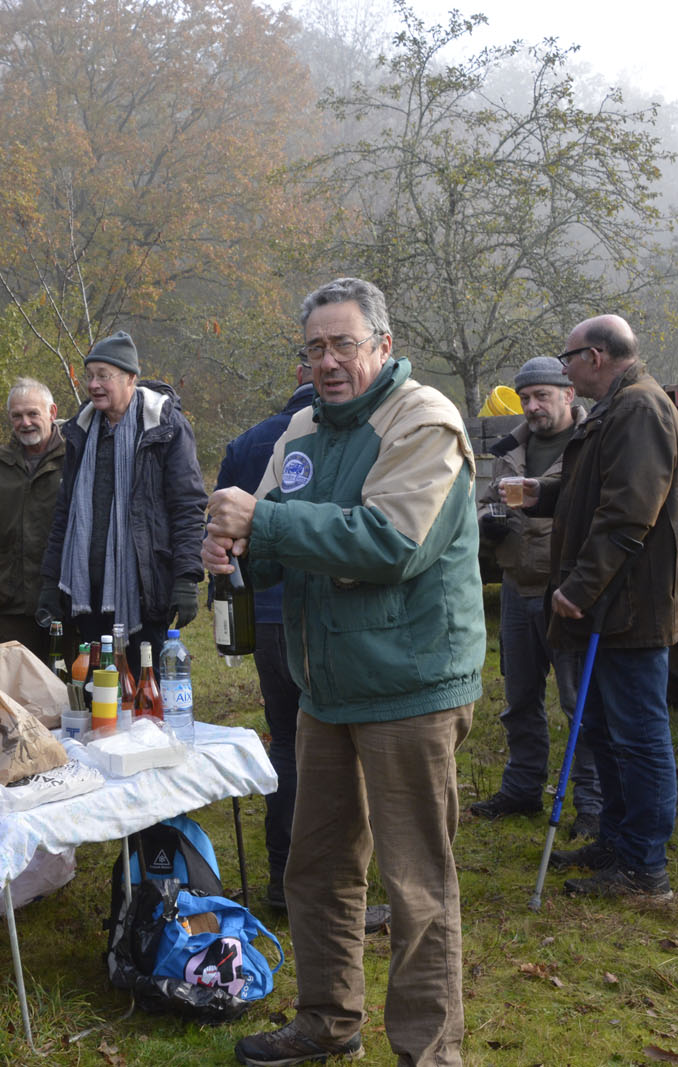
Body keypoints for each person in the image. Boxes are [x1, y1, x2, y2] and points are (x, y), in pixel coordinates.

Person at [204, 279, 484, 1067]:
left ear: (383, 347)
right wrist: (230, 545)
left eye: (343, 345)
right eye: (314, 347)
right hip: (325, 684)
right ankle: (327, 1022)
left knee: (416, 885)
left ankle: (430, 1053)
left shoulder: (423, 421)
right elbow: (268, 530)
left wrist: (262, 523)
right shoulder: (302, 429)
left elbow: (393, 541)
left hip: (409, 683)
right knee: (317, 865)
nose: (327, 361)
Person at [525, 314, 678, 901]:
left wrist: (579, 588)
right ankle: (617, 841)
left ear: (598, 357)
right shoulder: (619, 409)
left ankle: (644, 868)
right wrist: (543, 493)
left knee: (639, 736)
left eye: (569, 357)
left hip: (629, 604)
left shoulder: (638, 409)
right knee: (605, 728)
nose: (566, 367)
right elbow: (600, 487)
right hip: (615, 601)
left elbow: (630, 511)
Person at [213, 360, 397, 932]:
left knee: (288, 745)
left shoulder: (247, 441)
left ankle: (281, 878)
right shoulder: (339, 439)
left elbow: (225, 527)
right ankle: (336, 889)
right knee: (335, 750)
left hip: (263, 610)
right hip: (322, 611)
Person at [469, 357, 602, 837]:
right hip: (517, 589)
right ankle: (522, 789)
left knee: (578, 703)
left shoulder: (592, 444)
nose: (532, 406)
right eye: (525, 398)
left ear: (569, 395)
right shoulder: (510, 449)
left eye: (542, 396)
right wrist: (488, 522)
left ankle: (591, 803)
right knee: (519, 700)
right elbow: (484, 503)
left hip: (567, 593)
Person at [38, 331, 205, 667]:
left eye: (104, 376)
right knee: (96, 698)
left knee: (146, 701)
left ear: (130, 378)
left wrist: (187, 578)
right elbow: (65, 513)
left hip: (143, 589)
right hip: (88, 594)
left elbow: (187, 506)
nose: (94, 385)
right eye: (90, 376)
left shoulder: (165, 426)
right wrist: (48, 581)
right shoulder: (81, 431)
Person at [0, 377, 69, 659]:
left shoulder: (75, 458)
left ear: (52, 412)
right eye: (17, 416)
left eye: (33, 413)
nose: (25, 422)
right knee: (19, 688)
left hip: (67, 597)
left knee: (70, 685)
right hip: (15, 600)